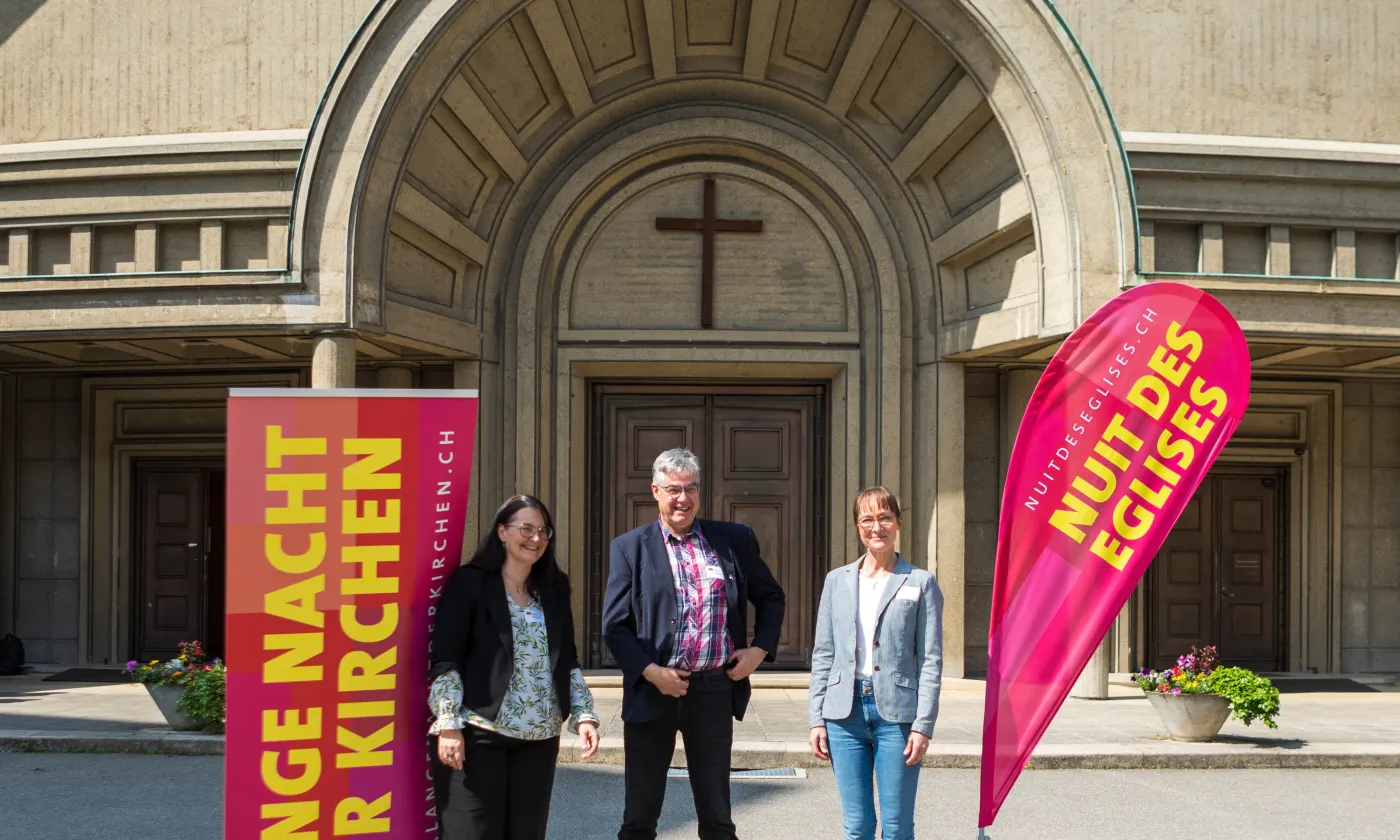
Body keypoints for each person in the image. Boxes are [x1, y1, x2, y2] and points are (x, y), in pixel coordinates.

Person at [603, 448, 786, 840]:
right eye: (673, 489)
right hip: (654, 691)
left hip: (714, 690)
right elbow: (614, 626)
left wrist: (758, 650)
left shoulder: (734, 540)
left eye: (691, 488)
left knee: (717, 815)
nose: (683, 498)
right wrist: (652, 673)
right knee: (640, 815)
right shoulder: (629, 548)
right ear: (655, 491)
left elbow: (771, 597)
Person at [429, 495, 601, 840]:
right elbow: (446, 657)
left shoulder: (552, 587)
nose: (535, 538)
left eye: (542, 531)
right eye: (525, 528)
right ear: (501, 532)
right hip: (479, 732)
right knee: (472, 834)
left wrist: (584, 715)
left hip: (539, 738)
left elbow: (567, 659)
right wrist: (448, 724)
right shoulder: (470, 583)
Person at [807, 486, 943, 840]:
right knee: (857, 826)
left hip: (897, 716)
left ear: (898, 523)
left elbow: (930, 660)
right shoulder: (837, 581)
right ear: (857, 526)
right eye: (867, 519)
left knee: (897, 828)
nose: (876, 526)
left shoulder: (920, 582)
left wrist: (923, 725)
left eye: (884, 517)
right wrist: (816, 719)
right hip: (843, 714)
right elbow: (824, 653)